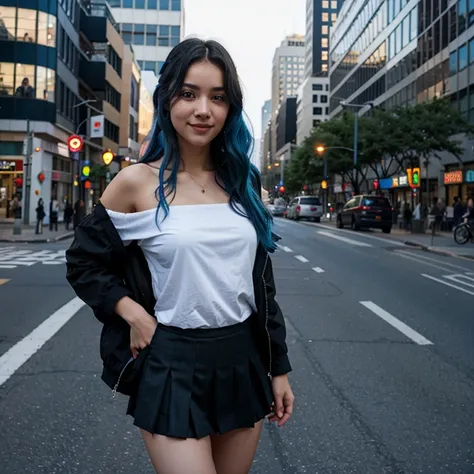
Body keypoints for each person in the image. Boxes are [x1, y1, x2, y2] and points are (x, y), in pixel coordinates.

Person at [65, 38, 294, 474]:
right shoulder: (136, 183)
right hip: (171, 361)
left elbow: (262, 285)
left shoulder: (244, 183)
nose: (203, 109)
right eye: (189, 94)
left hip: (241, 359)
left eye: (218, 97)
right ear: (168, 97)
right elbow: (83, 261)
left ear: (230, 108)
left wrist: (277, 368)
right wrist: (132, 312)